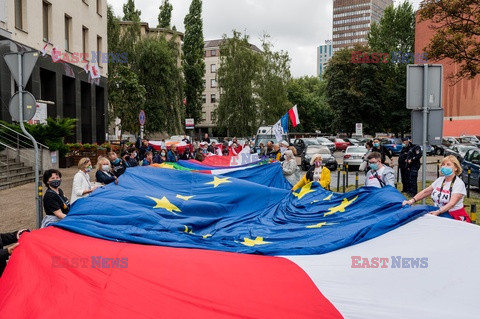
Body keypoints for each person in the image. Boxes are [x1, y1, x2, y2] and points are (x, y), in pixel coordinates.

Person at [402, 155, 470, 221]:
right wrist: (411, 201)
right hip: (438, 213)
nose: (445, 166)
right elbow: (426, 192)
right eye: (443, 164)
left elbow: (452, 204)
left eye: (448, 164)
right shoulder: (440, 180)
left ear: (456, 168)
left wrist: (438, 212)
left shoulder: (459, 184)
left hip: (453, 217)